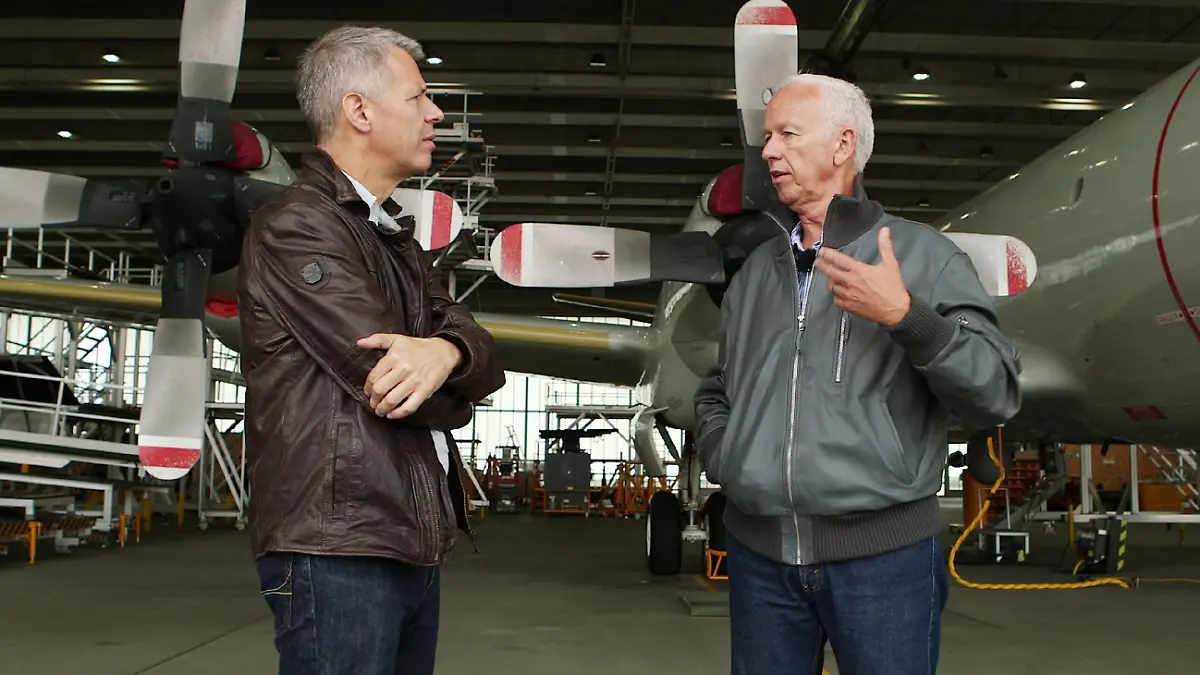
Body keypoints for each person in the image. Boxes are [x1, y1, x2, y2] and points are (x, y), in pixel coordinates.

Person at [693, 73, 1022, 674]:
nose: (768, 152)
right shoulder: (755, 274)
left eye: (788, 134)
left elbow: (996, 392)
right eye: (768, 137)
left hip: (885, 562)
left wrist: (906, 316)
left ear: (843, 144)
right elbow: (720, 386)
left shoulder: (927, 257)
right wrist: (726, 454)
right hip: (760, 559)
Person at [236, 25, 506, 675]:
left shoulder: (393, 239)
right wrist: (458, 384)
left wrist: (447, 355)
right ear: (359, 110)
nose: (435, 113)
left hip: (399, 540)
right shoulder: (299, 226)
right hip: (338, 547)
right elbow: (393, 383)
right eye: (418, 97)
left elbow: (483, 353)